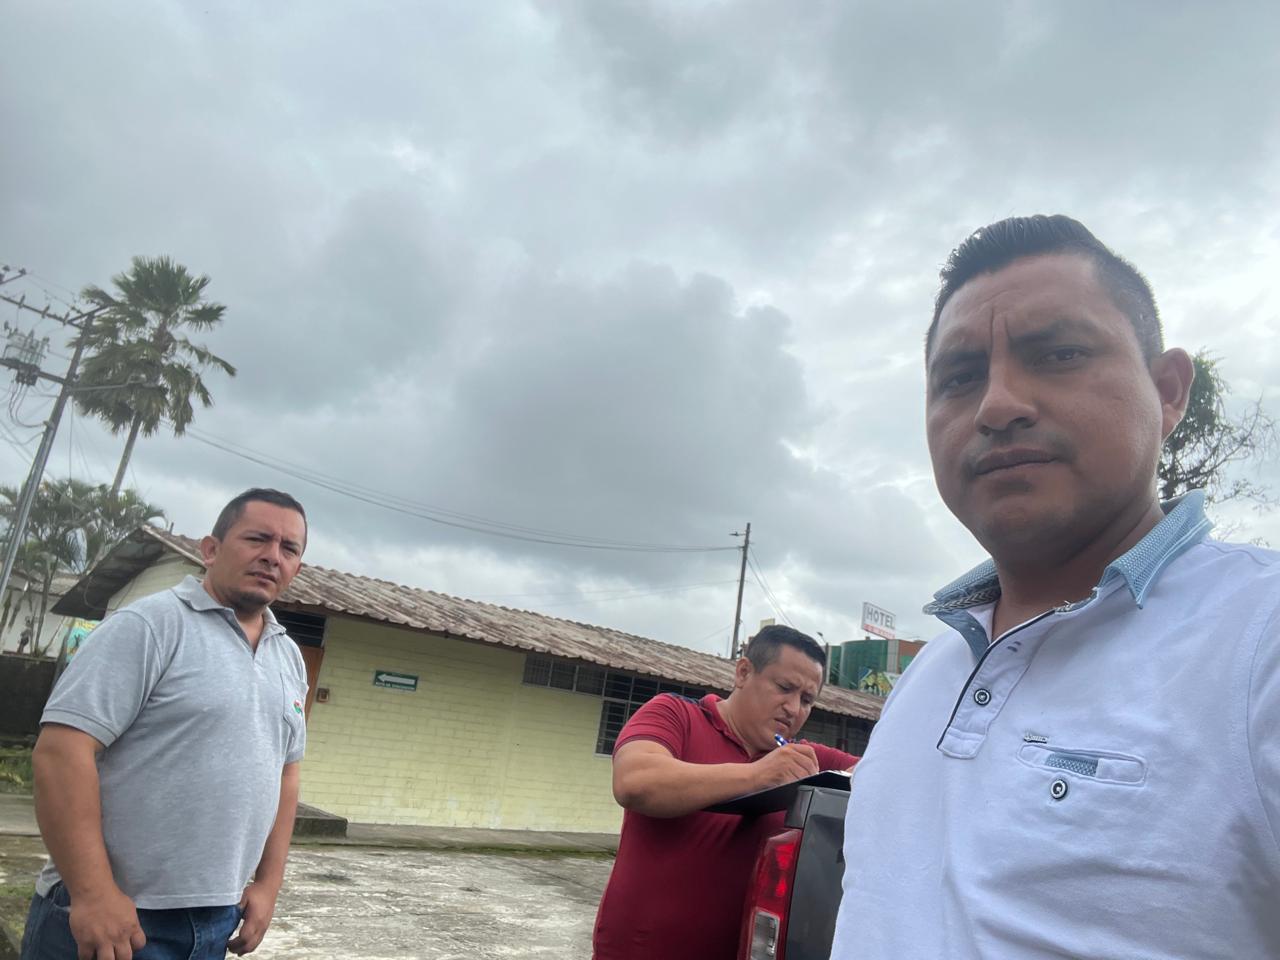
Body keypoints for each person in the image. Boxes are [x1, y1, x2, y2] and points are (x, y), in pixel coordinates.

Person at [830, 215, 1280, 958]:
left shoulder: (1258, 640)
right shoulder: (930, 676)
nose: (997, 405)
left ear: (1168, 391)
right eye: (959, 378)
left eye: (1060, 354)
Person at [21, 488, 311, 960]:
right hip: (118, 917)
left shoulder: (289, 656)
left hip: (218, 919)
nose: (272, 556)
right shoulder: (150, 626)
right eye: (257, 539)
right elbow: (61, 753)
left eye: (289, 548)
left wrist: (267, 883)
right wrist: (94, 893)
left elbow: (286, 773)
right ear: (211, 549)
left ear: (297, 567)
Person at [593, 624, 859, 960]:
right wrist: (758, 775)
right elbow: (635, 782)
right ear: (743, 672)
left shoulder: (804, 759)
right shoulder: (677, 715)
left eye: (807, 700)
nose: (794, 708)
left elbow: (880, 773)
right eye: (784, 688)